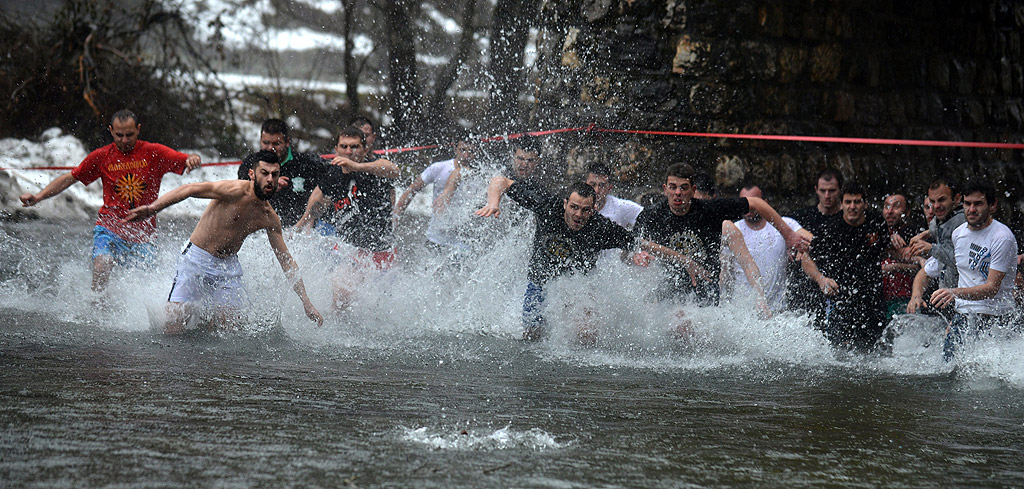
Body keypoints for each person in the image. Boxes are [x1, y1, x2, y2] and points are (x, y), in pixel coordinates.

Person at [476, 178, 704, 342]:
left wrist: (684, 260)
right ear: (565, 203)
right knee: (533, 336)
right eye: (574, 207)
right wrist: (494, 203)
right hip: (540, 281)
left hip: (578, 287)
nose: (578, 215)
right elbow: (501, 181)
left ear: (593, 210)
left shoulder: (601, 228)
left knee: (585, 333)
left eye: (585, 210)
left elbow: (642, 244)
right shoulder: (547, 206)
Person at [124, 150, 323, 333]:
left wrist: (306, 302)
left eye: (274, 174)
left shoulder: (268, 217)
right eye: (264, 173)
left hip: (227, 268)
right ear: (252, 174)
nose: (269, 179)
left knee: (231, 329)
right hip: (196, 259)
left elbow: (286, 261)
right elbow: (189, 189)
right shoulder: (233, 190)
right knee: (174, 326)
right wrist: (151, 209)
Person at [19, 109, 201, 294]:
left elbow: (185, 159)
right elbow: (70, 178)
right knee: (101, 264)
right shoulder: (102, 156)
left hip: (143, 235)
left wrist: (192, 159)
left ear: (138, 129)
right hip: (110, 227)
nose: (124, 140)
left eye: (129, 134)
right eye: (119, 135)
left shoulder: (153, 152)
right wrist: (38, 197)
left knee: (143, 286)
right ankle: (97, 310)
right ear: (111, 130)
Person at [633, 163, 807, 307]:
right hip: (670, 295)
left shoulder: (709, 210)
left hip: (705, 297)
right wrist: (638, 255)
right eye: (673, 187)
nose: (677, 193)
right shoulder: (652, 215)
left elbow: (756, 203)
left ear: (693, 191)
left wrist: (789, 235)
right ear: (665, 189)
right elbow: (633, 243)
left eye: (683, 188)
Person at [295, 126, 400, 311]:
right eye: (344, 146)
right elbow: (317, 199)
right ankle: (339, 335)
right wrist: (299, 227)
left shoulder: (374, 168)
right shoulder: (333, 174)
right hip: (350, 250)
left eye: (354, 147)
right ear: (336, 149)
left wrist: (358, 167)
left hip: (381, 251)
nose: (348, 151)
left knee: (376, 308)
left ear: (365, 149)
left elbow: (394, 171)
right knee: (341, 294)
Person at [926, 180, 1018, 361]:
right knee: (948, 372)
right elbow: (963, 274)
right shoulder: (958, 233)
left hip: (995, 318)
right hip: (963, 316)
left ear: (992, 206)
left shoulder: (1002, 237)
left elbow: (992, 288)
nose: (972, 209)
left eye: (978, 204)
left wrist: (954, 293)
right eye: (967, 204)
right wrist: (956, 310)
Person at [800, 182, 891, 352]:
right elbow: (805, 257)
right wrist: (821, 280)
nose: (852, 207)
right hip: (841, 302)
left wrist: (913, 255)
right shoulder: (830, 229)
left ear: (865, 204)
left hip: (872, 301)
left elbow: (888, 250)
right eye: (848, 202)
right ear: (841, 204)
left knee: (875, 354)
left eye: (857, 202)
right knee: (839, 355)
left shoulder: (876, 222)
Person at [722, 183, 806, 313]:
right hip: (742, 313)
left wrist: (800, 249)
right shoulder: (732, 230)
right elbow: (724, 272)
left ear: (764, 203)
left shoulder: (783, 226)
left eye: (752, 203)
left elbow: (809, 240)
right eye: (744, 202)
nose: (748, 207)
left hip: (777, 310)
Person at [394, 129, 479, 252]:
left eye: (471, 151)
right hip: (436, 239)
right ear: (455, 148)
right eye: (462, 150)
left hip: (463, 243)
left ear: (477, 152)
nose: (466, 156)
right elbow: (411, 190)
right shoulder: (439, 168)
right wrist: (396, 216)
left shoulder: (480, 174)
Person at [237, 119, 328, 227]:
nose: (270, 148)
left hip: (300, 231)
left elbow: (330, 180)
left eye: (276, 143)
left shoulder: (305, 163)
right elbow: (241, 194)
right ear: (260, 140)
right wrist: (264, 185)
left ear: (287, 142)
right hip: (260, 228)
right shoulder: (249, 163)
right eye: (266, 143)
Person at [786, 168, 844, 314]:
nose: (827, 196)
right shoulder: (801, 217)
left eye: (832, 191)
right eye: (823, 190)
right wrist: (788, 245)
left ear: (840, 190)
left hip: (838, 283)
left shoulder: (847, 219)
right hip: (806, 288)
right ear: (816, 190)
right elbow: (782, 232)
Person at [908, 178, 965, 291]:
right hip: (947, 291)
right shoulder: (942, 218)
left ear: (957, 198)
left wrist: (931, 248)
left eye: (942, 200)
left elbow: (963, 262)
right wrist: (925, 234)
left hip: (964, 293)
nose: (936, 206)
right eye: (932, 202)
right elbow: (938, 227)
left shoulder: (963, 221)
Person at [880, 192, 926, 321]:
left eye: (896, 206)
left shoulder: (916, 235)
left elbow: (922, 266)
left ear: (908, 211)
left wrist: (894, 267)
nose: (890, 211)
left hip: (905, 299)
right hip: (880, 300)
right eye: (886, 206)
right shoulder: (876, 232)